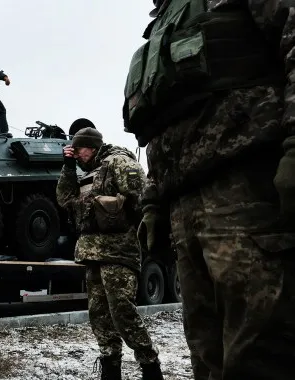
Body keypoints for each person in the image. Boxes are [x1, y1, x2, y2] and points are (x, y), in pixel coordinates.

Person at [122, 1, 295, 379]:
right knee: (206, 355)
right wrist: (154, 201)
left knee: (261, 352)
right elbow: (167, 120)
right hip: (186, 207)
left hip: (246, 190)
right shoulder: (165, 20)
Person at [56, 127, 163, 380]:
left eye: (79, 149)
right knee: (99, 316)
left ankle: (150, 365)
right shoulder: (84, 172)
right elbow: (65, 199)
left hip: (118, 253)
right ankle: (110, 367)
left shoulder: (118, 161)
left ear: (92, 146)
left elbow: (141, 196)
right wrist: (68, 167)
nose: (76, 153)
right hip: (91, 252)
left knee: (122, 312)